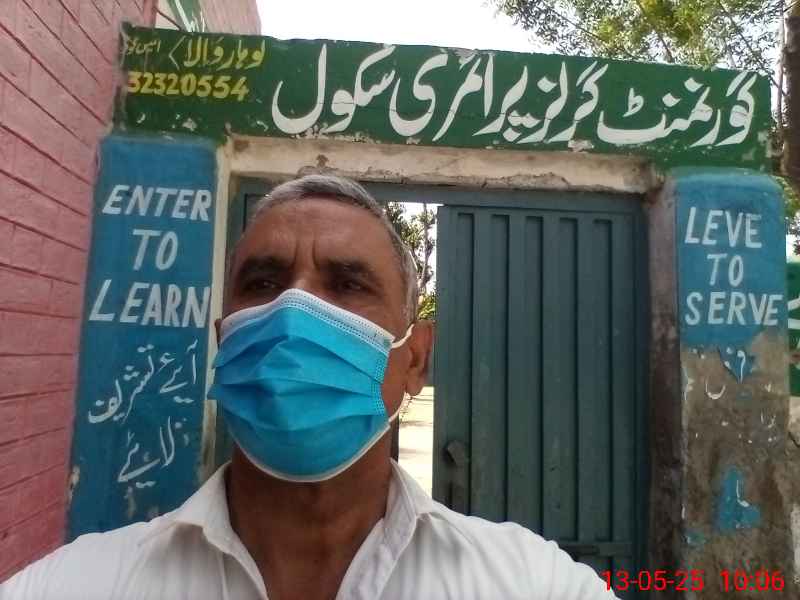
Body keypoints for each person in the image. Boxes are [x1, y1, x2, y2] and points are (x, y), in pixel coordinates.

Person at [1, 175, 618, 599]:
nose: (293, 309)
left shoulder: (532, 583)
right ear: (224, 342)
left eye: (347, 285)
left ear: (415, 359)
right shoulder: (78, 584)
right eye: (263, 283)